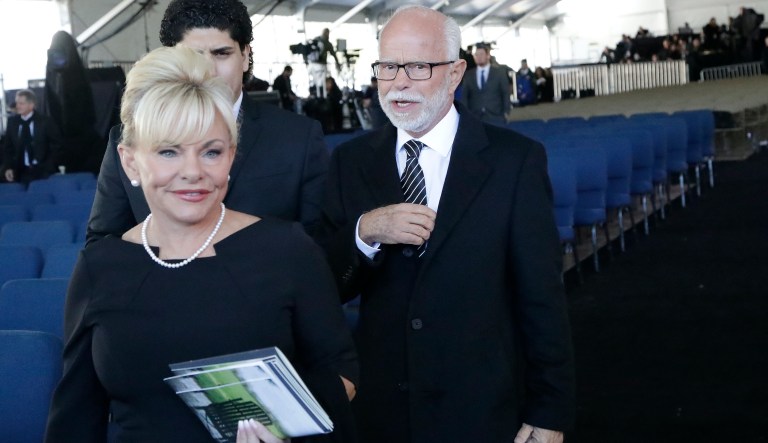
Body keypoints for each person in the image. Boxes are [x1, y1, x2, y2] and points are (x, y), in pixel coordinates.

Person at [45, 45, 358, 443]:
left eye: (210, 152)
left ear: (231, 156)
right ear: (130, 162)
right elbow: (75, 418)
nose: (192, 172)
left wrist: (281, 430)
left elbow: (341, 370)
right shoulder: (100, 267)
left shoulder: (287, 250)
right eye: (169, 152)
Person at [318, 5, 574, 443]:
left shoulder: (514, 161)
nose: (399, 82)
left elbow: (542, 298)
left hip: (482, 407)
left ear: (455, 73)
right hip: (382, 412)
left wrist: (549, 411)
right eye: (388, 66)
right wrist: (365, 232)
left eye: (418, 66)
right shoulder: (349, 162)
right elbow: (324, 281)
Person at [86, 0, 329, 245]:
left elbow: (319, 245)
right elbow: (102, 243)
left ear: (245, 56)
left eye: (222, 53)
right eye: (193, 55)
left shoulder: (299, 137)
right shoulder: (130, 138)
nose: (209, 70)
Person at [2, 89, 62, 183]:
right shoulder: (12, 122)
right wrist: (8, 167)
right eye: (17, 103)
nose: (17, 106)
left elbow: (57, 146)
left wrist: (49, 166)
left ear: (31, 105)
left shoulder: (45, 122)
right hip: (19, 172)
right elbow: (8, 148)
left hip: (43, 171)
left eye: (21, 103)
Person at [459, 43, 510, 125]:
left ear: (488, 56)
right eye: (476, 54)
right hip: (475, 118)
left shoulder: (499, 73)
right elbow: (464, 96)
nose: (479, 57)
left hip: (496, 117)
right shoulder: (468, 75)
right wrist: (466, 115)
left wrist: (506, 112)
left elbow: (505, 93)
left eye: (481, 54)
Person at [308, 28, 341, 99]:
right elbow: (333, 54)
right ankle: (321, 97)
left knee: (316, 82)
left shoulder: (316, 40)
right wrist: (338, 63)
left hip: (312, 65)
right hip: (321, 65)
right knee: (321, 82)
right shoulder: (326, 43)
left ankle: (317, 96)